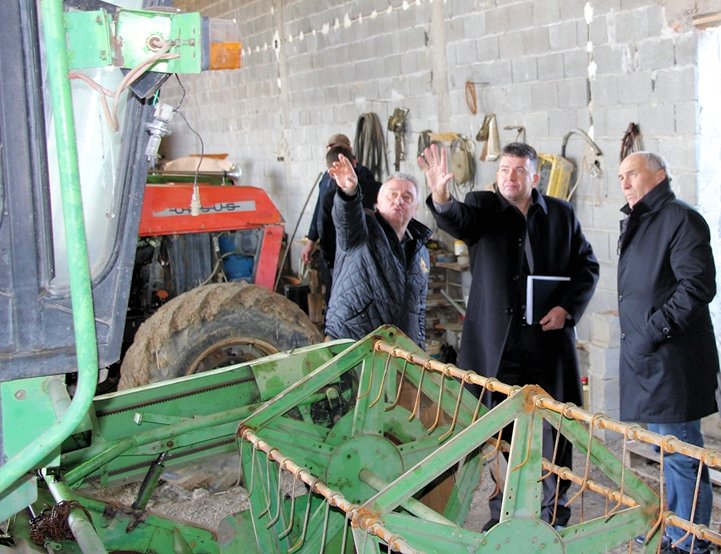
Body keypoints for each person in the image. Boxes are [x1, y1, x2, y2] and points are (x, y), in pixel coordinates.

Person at [419, 142, 599, 529]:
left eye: (518, 170)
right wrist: (440, 195)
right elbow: (457, 219)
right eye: (503, 170)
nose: (509, 177)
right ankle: (505, 513)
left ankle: (552, 514)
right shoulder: (483, 207)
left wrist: (567, 308)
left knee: (556, 427)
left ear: (535, 177)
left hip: (548, 343)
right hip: (497, 345)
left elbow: (587, 266)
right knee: (499, 429)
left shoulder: (562, 215)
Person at [617, 152, 719, 554]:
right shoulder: (642, 220)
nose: (624, 183)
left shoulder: (680, 218)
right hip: (651, 358)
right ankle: (674, 529)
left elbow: (696, 287)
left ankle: (692, 541)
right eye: (620, 176)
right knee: (667, 452)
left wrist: (652, 332)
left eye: (632, 174)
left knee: (682, 453)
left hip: (672, 359)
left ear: (660, 175)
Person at [323, 154, 431, 348]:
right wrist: (349, 191)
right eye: (392, 194)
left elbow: (419, 310)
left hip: (394, 352)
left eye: (407, 197)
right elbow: (347, 216)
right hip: (350, 342)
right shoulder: (362, 230)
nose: (399, 201)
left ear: (415, 208)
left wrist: (419, 351)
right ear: (377, 203)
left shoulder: (420, 252)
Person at [301, 135, 379, 300]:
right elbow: (319, 210)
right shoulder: (326, 179)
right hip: (332, 251)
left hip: (357, 248)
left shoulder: (363, 177)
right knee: (334, 295)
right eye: (330, 149)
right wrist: (310, 240)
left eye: (337, 149)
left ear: (349, 153)